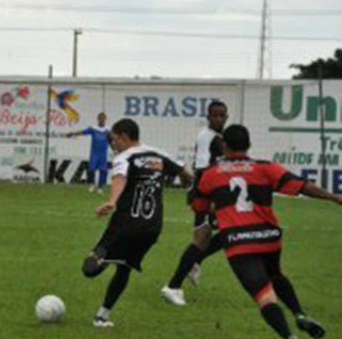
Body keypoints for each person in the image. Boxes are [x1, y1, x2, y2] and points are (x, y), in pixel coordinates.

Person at [191, 124, 342, 339]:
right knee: (276, 274)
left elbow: (199, 206)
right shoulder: (265, 168)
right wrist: (334, 197)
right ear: (249, 145)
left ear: (224, 146)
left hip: (238, 242)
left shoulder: (210, 174)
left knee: (264, 295)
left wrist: (213, 206)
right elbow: (302, 186)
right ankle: (300, 314)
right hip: (269, 238)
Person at [82, 118, 193, 327]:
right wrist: (195, 192)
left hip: (125, 224)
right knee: (124, 268)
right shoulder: (158, 155)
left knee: (89, 270)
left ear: (124, 137)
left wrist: (112, 201)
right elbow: (185, 172)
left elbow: (120, 178)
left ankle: (103, 255)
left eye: (114, 140)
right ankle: (101, 317)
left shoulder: (124, 157)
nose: (112, 144)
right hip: (152, 228)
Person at [161, 100, 229, 305]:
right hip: (206, 196)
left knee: (226, 234)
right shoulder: (208, 137)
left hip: (212, 195)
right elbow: (201, 170)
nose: (218, 118)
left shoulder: (218, 138)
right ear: (208, 117)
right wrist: (205, 198)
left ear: (226, 117)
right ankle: (173, 286)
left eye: (222, 115)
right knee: (204, 240)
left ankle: (194, 263)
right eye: (214, 115)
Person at [67, 112, 110, 193]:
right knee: (91, 169)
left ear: (105, 119)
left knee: (103, 171)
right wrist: (73, 134)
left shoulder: (108, 130)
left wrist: (115, 150)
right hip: (94, 153)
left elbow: (112, 141)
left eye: (103, 119)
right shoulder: (93, 129)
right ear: (98, 119)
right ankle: (92, 184)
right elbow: (82, 132)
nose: (102, 120)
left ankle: (100, 187)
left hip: (103, 154)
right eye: (100, 118)